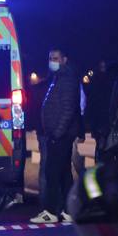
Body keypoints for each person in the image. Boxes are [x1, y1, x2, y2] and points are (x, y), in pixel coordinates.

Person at [31, 49, 80, 224]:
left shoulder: (66, 80)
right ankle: (69, 211)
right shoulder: (58, 77)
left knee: (51, 172)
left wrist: (58, 132)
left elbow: (68, 109)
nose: (52, 61)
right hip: (57, 134)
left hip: (60, 135)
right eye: (50, 58)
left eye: (56, 58)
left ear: (64, 59)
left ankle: (51, 211)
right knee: (64, 173)